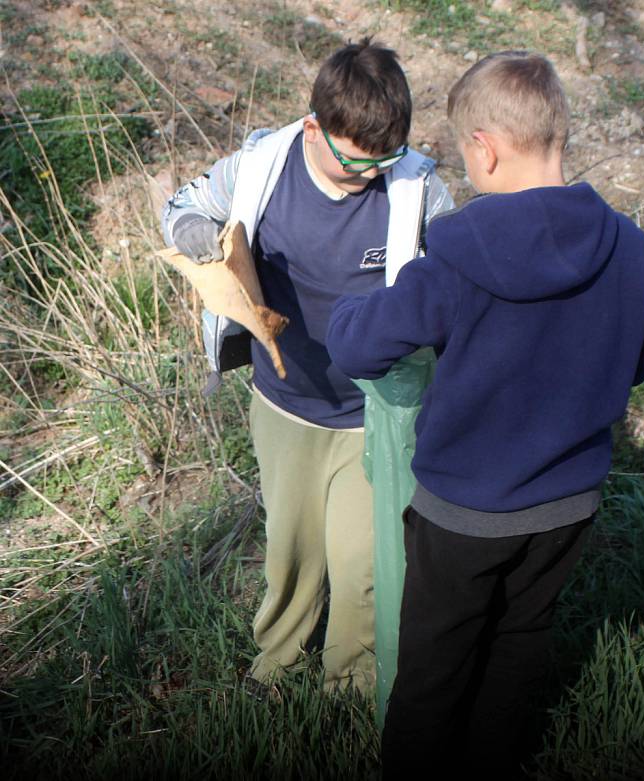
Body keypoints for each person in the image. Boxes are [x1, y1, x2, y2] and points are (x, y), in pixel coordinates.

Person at [326, 51, 644, 776]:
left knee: (433, 671)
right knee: (520, 647)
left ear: (485, 147)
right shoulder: (631, 248)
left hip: (464, 514)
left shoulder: (458, 257)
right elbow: (639, 363)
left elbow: (356, 345)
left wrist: (349, 310)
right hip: (568, 506)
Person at [161, 39, 454, 693]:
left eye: (386, 160)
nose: (371, 176)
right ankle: (277, 665)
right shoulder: (262, 164)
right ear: (315, 128)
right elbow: (181, 208)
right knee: (292, 550)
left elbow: (462, 263)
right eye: (355, 162)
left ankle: (349, 681)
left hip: (373, 411)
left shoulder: (417, 186)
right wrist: (202, 239)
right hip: (284, 400)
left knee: (362, 561)